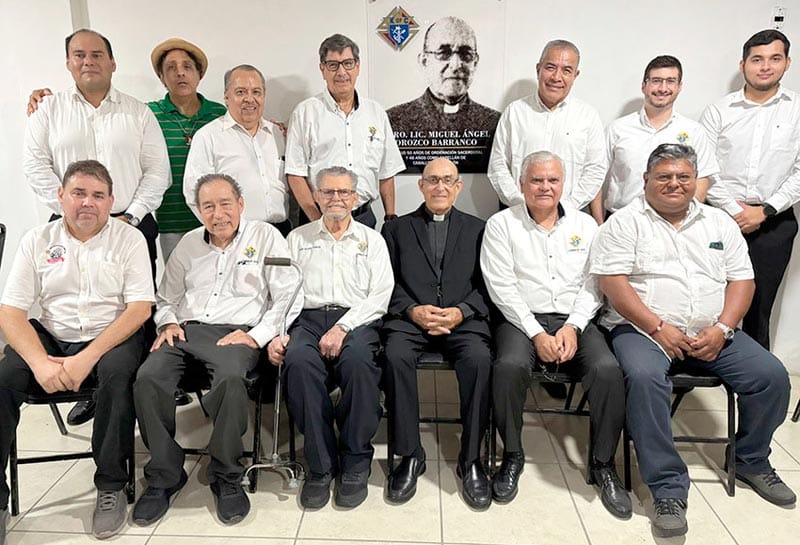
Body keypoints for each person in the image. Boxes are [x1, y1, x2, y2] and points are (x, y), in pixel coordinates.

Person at [590, 143, 794, 538]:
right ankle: (667, 488)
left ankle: (751, 458)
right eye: (664, 176)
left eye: (683, 177)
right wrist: (656, 327)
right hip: (641, 330)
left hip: (713, 330)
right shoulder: (624, 222)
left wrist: (723, 328)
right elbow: (612, 283)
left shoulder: (719, 223)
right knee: (646, 380)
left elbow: (742, 279)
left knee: (772, 376)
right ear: (646, 180)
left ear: (695, 181)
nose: (674, 184)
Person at [132, 174, 302, 525]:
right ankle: (165, 474)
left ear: (241, 204)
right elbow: (166, 297)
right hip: (186, 329)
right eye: (208, 206)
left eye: (225, 203)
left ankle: (226, 474)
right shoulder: (189, 245)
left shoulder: (265, 236)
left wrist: (258, 335)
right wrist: (166, 323)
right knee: (147, 377)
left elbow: (288, 294)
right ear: (198, 210)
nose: (218, 213)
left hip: (236, 333)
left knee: (229, 379)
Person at [0, 160, 154, 540]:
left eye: (98, 195)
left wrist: (86, 358)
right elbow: (10, 312)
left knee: (118, 376)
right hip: (53, 335)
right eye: (79, 193)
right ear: (61, 196)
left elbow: (139, 309)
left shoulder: (129, 239)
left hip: (112, 334)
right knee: (3, 379)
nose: (88, 203)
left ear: (111, 201)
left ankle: (111, 486)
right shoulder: (37, 240)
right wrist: (39, 362)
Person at [480, 151, 630, 519]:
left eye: (552, 180)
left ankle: (603, 463)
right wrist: (535, 332)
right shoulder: (501, 225)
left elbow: (594, 284)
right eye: (536, 180)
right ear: (521, 184)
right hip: (519, 319)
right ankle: (512, 454)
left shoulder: (586, 226)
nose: (545, 187)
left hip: (574, 318)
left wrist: (573, 325)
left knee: (608, 371)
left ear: (563, 184)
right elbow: (501, 286)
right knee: (509, 367)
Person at [381, 158, 492, 508]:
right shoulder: (396, 229)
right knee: (394, 356)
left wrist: (463, 312)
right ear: (421, 186)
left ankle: (471, 458)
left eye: (447, 180)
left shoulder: (480, 228)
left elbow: (489, 284)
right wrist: (412, 310)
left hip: (462, 319)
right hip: (412, 318)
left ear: (458, 186)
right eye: (432, 180)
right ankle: (410, 454)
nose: (440, 187)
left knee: (479, 359)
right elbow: (386, 282)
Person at [283, 166, 393, 509]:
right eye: (328, 192)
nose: (335, 198)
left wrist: (344, 327)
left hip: (358, 319)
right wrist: (278, 334)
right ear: (315, 196)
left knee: (360, 363)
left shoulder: (371, 240)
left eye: (343, 192)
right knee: (298, 363)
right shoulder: (297, 239)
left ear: (355, 198)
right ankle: (320, 464)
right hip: (308, 318)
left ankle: (356, 458)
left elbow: (381, 294)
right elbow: (283, 293)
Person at [23, 28, 170, 279]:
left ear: (112, 63)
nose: (88, 61)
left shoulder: (139, 112)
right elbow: (35, 166)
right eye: (79, 55)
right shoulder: (47, 110)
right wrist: (72, 211)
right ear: (69, 63)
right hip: (68, 227)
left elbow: (158, 171)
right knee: (69, 307)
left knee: (139, 310)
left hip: (131, 224)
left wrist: (131, 217)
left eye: (97, 55)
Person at [702, 29, 800, 350]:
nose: (765, 66)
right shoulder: (719, 110)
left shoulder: (797, 110)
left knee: (759, 305)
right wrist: (734, 210)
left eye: (774, 59)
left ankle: (755, 381)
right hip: (719, 217)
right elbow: (704, 167)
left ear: (786, 63)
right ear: (743, 64)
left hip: (774, 222)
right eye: (757, 59)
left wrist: (766, 209)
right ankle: (692, 368)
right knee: (708, 296)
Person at [285, 34, 405, 227]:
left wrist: (390, 217)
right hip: (317, 216)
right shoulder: (305, 113)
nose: (341, 72)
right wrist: (317, 220)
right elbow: (295, 173)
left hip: (364, 218)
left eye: (347, 63)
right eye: (333, 65)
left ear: (357, 66)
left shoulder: (376, 113)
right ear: (322, 69)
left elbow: (386, 171)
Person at [487, 39, 605, 215]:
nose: (557, 77)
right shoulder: (515, 112)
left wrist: (566, 208)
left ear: (575, 75)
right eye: (550, 67)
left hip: (570, 217)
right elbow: (498, 166)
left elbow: (595, 170)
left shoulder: (588, 116)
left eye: (567, 70)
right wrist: (521, 204)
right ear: (538, 69)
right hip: (518, 215)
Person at [597, 55, 717, 219]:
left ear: (679, 86)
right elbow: (596, 177)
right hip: (622, 218)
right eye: (656, 81)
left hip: (675, 221)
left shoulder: (694, 131)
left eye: (670, 81)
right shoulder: (617, 129)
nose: (663, 88)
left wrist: (686, 221)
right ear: (643, 86)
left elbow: (702, 180)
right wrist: (598, 223)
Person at [184, 64, 291, 236]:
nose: (250, 99)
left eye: (256, 92)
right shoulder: (208, 136)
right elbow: (193, 193)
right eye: (241, 92)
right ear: (226, 97)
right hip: (235, 235)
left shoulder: (278, 134)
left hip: (281, 232)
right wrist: (222, 231)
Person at [147, 38, 227, 259]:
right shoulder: (149, 115)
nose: (180, 73)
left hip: (217, 218)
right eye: (171, 68)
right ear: (162, 78)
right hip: (172, 220)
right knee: (179, 287)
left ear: (199, 74)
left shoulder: (220, 114)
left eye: (187, 67)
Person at [387, 17, 500, 173]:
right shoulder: (394, 120)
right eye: (444, 53)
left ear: (475, 62)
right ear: (424, 61)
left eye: (466, 54)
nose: (456, 65)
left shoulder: (494, 122)